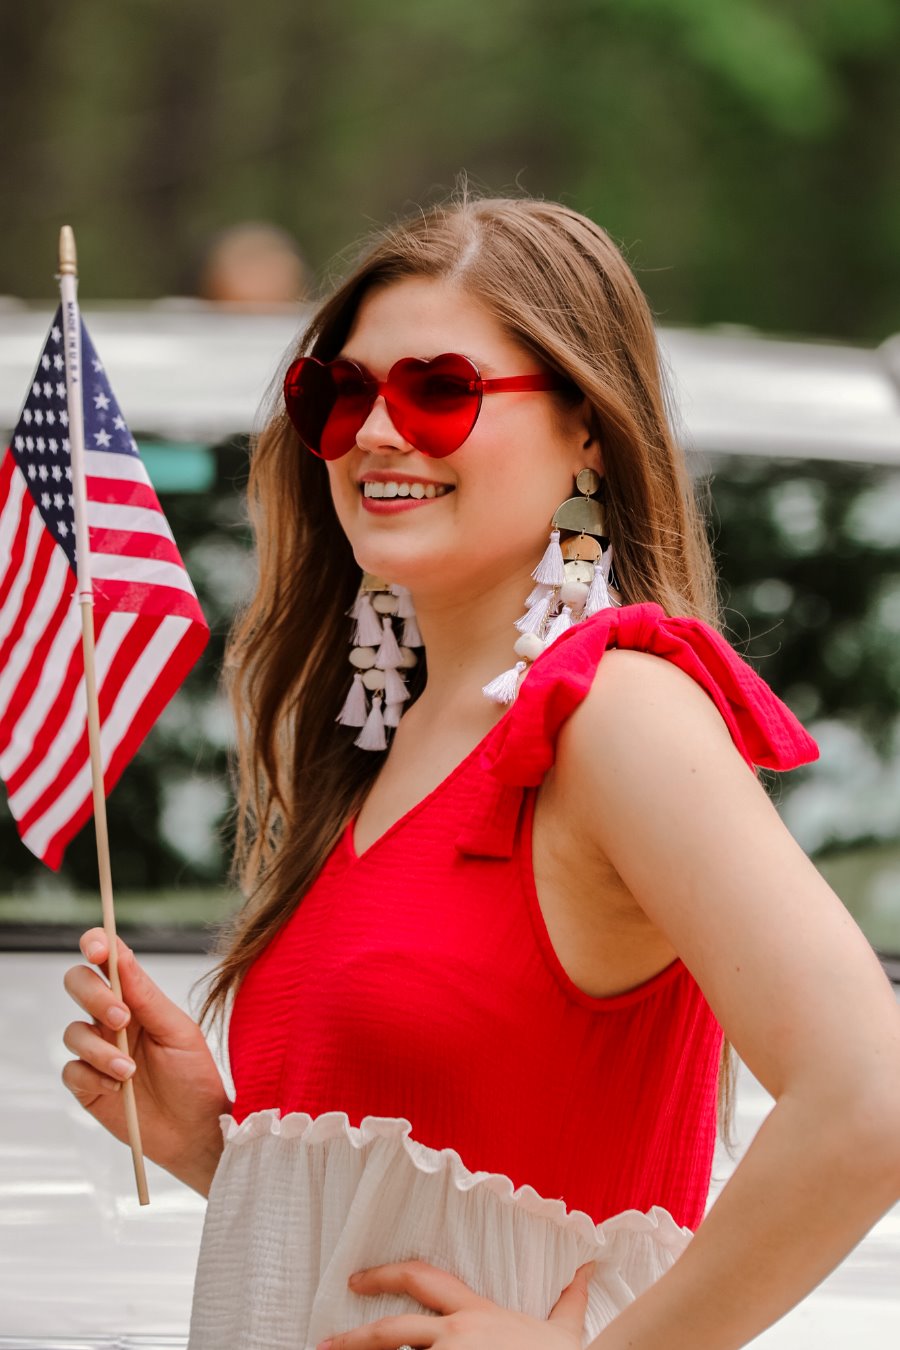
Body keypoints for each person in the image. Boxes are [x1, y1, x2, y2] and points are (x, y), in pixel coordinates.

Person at [62, 195, 900, 1350]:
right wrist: (220, 1147)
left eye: (438, 391)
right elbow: (433, 1213)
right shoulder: (381, 743)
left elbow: (870, 1098)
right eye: (337, 393)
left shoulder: (615, 712)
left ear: (587, 430)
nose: (374, 431)